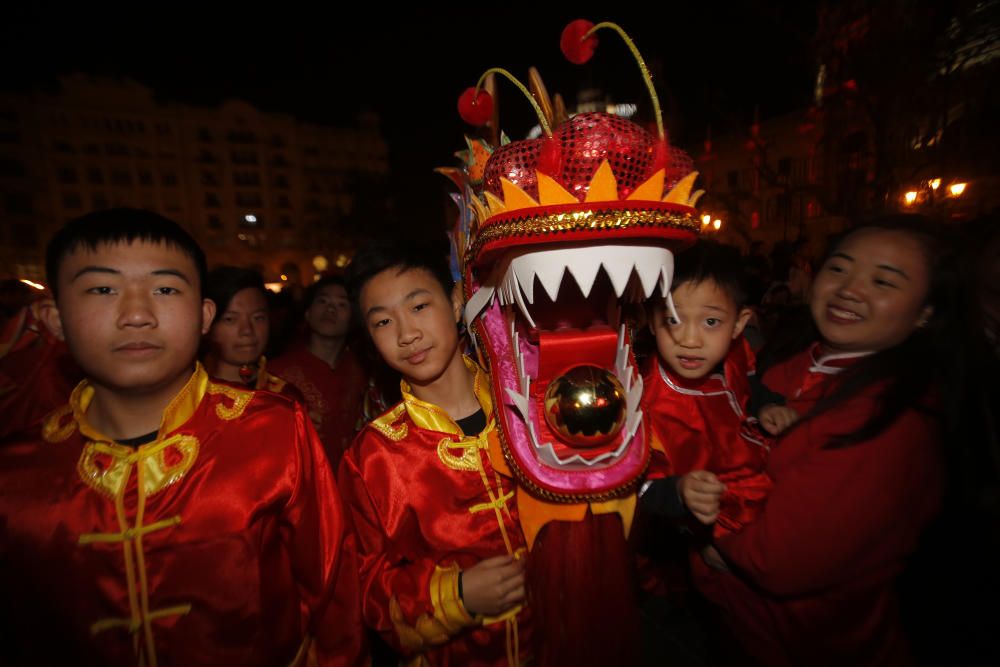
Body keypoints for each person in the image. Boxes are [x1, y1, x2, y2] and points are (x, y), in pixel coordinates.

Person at [0, 208, 364, 666]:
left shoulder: (272, 431)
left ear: (203, 315)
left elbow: (332, 589)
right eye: (103, 289)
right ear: (55, 318)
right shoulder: (14, 475)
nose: (136, 314)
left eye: (165, 289)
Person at [696, 217, 956, 666]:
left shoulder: (891, 423)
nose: (850, 290)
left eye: (883, 281)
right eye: (839, 269)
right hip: (742, 630)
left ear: (926, 311)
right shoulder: (790, 369)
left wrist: (702, 527)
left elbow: (779, 560)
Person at [339, 239, 530, 666]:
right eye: (383, 322)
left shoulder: (525, 404)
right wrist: (456, 595)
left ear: (456, 300)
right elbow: (365, 586)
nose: (407, 335)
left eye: (419, 307)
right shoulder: (374, 456)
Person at [269, 275, 367, 468]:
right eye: (323, 301)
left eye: (341, 304)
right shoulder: (277, 373)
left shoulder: (364, 372)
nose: (330, 309)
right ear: (308, 312)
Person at [202, 265, 303, 401]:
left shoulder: (285, 398)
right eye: (230, 319)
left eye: (258, 318)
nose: (247, 330)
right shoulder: (183, 395)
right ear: (207, 321)